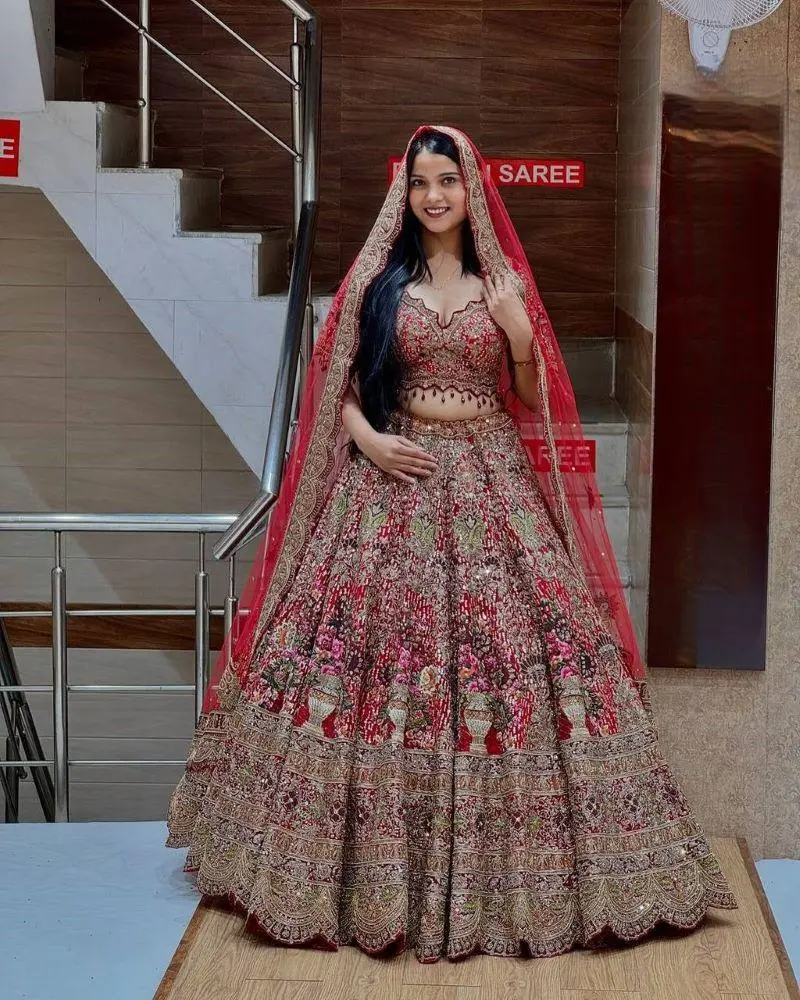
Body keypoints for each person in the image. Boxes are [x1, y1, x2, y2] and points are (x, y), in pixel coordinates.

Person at [166, 125, 737, 963]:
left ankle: (526, 881)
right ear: (404, 194)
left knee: (510, 650)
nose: (434, 196)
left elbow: (532, 395)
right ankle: (343, 877)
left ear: (473, 190)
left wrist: (516, 333)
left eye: (449, 180)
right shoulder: (379, 283)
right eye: (421, 182)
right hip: (389, 480)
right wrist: (366, 439)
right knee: (372, 658)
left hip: (487, 478)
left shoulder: (502, 285)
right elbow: (336, 381)